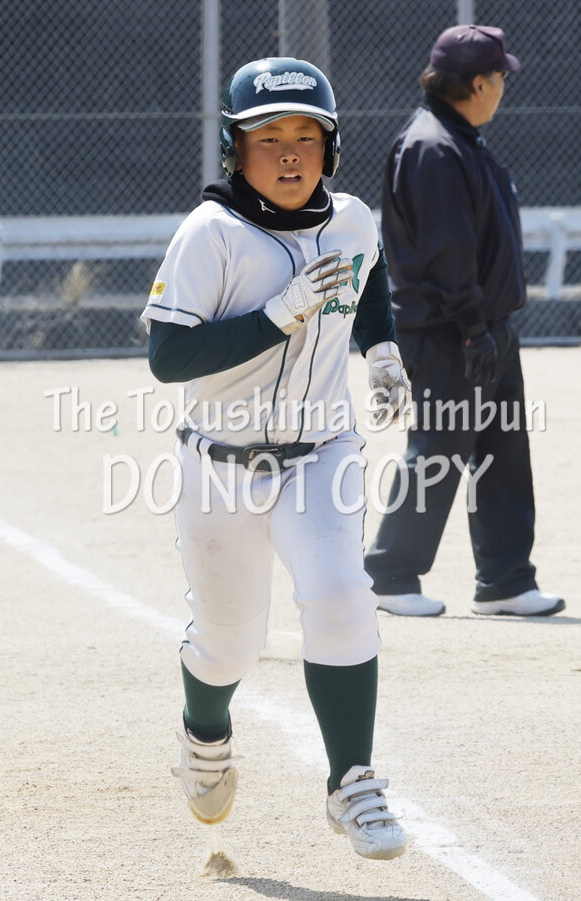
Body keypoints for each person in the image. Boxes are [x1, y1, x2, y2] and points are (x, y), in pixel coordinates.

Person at [141, 57, 411, 860]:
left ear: (331, 149)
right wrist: (276, 316)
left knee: (340, 593)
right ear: (235, 150)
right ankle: (205, 733)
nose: (290, 152)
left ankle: (351, 780)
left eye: (306, 135)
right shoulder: (211, 234)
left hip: (320, 454)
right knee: (228, 640)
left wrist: (382, 347)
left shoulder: (352, 218)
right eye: (268, 138)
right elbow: (167, 357)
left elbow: (368, 275)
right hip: (218, 464)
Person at [364, 25, 564, 618]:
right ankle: (390, 575)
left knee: (502, 452)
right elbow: (446, 253)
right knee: (440, 448)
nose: (503, 87)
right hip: (450, 330)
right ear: (478, 83)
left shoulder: (458, 138)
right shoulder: (432, 147)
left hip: (484, 326)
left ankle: (505, 581)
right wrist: (474, 329)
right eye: (500, 77)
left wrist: (488, 327)